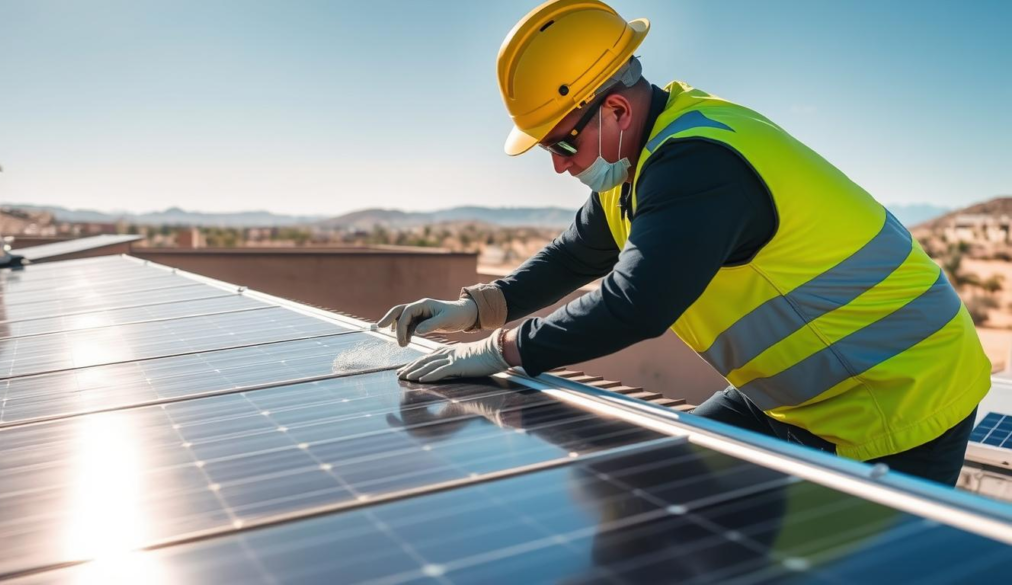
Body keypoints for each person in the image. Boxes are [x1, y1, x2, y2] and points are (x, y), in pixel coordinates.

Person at [377, 0, 989, 486]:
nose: (560, 167)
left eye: (563, 144)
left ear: (615, 109)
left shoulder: (697, 164)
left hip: (898, 396)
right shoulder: (638, 167)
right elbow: (576, 255)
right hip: (793, 397)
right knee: (655, 491)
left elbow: (634, 303)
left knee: (824, 561)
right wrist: (477, 309)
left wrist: (503, 348)